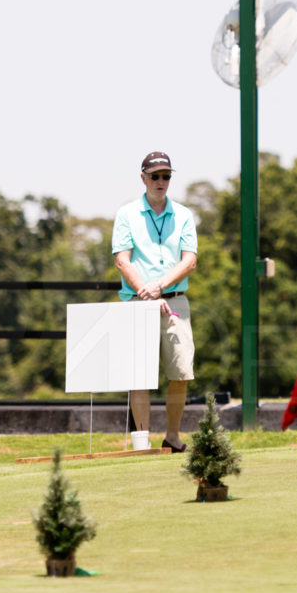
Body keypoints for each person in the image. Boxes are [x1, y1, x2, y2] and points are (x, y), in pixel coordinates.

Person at [111, 151, 198, 452]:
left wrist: (159, 287)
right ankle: (142, 442)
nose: (161, 181)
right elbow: (123, 261)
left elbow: (189, 262)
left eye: (166, 176)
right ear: (143, 178)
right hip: (138, 301)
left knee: (181, 372)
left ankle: (172, 437)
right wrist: (147, 293)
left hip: (175, 301)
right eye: (155, 176)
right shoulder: (126, 214)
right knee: (140, 375)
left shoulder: (184, 215)